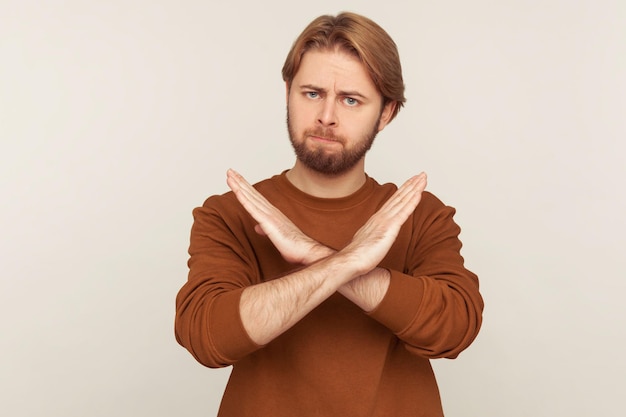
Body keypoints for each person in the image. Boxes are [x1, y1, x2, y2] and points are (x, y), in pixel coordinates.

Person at [175, 11, 483, 417]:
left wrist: (314, 255)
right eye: (312, 93)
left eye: (351, 100)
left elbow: (454, 328)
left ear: (386, 113)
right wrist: (345, 262)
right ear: (288, 92)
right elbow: (207, 335)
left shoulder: (420, 215)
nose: (326, 117)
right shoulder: (230, 213)